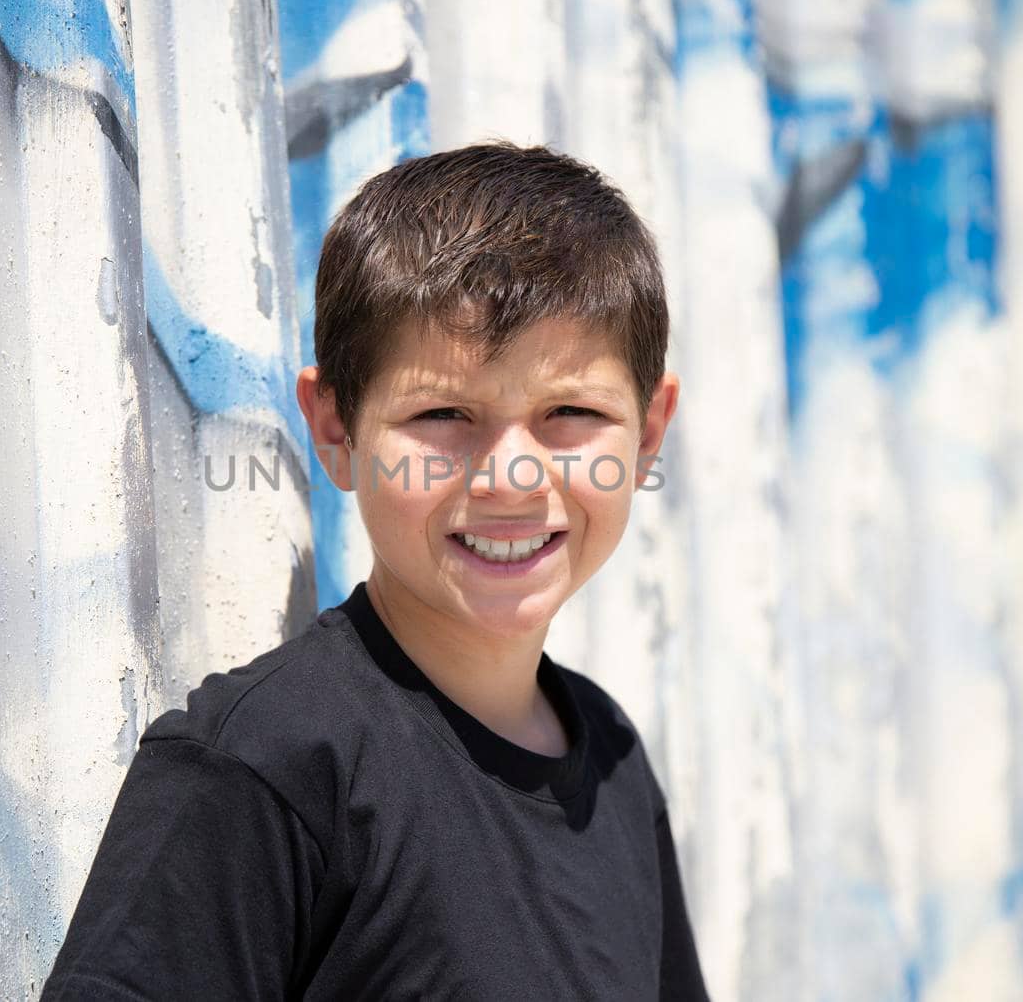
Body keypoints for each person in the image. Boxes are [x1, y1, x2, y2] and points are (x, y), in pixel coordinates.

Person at [40, 141, 709, 1000]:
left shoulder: (612, 760)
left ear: (649, 430)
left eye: (570, 412)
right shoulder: (264, 769)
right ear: (334, 429)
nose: (510, 477)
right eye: (443, 414)